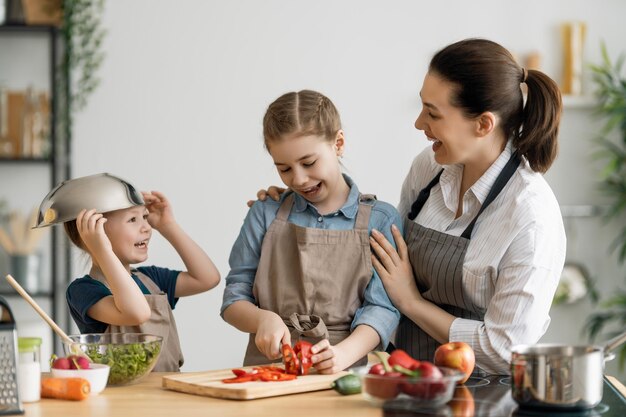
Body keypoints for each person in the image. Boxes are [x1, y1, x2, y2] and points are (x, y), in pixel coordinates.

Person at [252, 39, 566, 375]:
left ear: (483, 124)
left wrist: (411, 303)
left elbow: (504, 351)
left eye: (432, 113)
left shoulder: (530, 218)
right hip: (401, 376)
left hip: (479, 394)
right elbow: (379, 253)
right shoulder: (429, 169)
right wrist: (296, 200)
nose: (419, 123)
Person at [221, 90, 401, 374]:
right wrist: (261, 320)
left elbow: (383, 307)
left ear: (338, 143)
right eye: (284, 169)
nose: (299, 179)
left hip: (345, 367)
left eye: (308, 163)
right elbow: (234, 297)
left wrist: (342, 355)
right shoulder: (264, 213)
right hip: (269, 368)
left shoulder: (380, 219)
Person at [35, 173, 221, 372]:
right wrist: (102, 251)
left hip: (170, 391)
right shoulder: (83, 290)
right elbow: (137, 313)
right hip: (121, 398)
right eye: (133, 219)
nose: (147, 228)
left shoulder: (151, 278)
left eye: (145, 217)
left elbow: (208, 278)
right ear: (93, 232)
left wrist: (168, 226)